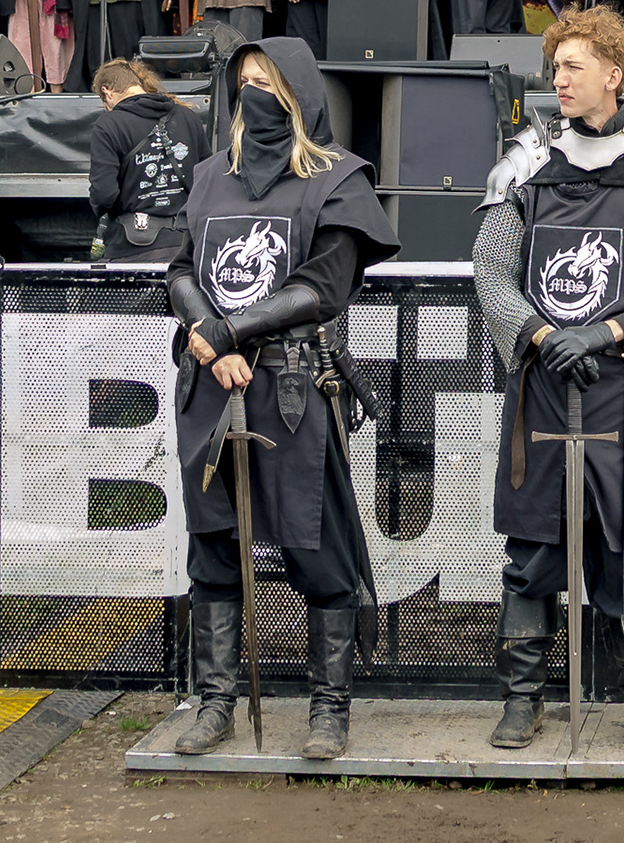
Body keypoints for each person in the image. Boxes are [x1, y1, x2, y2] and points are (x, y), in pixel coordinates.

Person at [471, 6, 624, 751]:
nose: (559, 79)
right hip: (541, 383)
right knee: (533, 549)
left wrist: (604, 333)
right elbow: (490, 269)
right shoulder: (526, 163)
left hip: (620, 391)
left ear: (615, 72)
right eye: (556, 66)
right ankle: (522, 696)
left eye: (574, 66)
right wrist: (541, 333)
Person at [164, 38, 398, 760]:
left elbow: (320, 287)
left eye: (268, 82)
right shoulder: (210, 178)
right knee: (212, 548)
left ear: (298, 93)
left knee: (317, 548)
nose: (253, 93)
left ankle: (329, 708)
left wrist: (227, 330)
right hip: (210, 385)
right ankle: (214, 703)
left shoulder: (337, 180)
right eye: (244, 82)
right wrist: (209, 335)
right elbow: (178, 268)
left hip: (293, 388)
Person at [87, 59, 212, 262]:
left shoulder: (108, 124)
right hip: (188, 242)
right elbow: (208, 178)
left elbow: (104, 195)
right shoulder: (187, 115)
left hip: (134, 244)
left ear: (107, 91)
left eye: (103, 101)